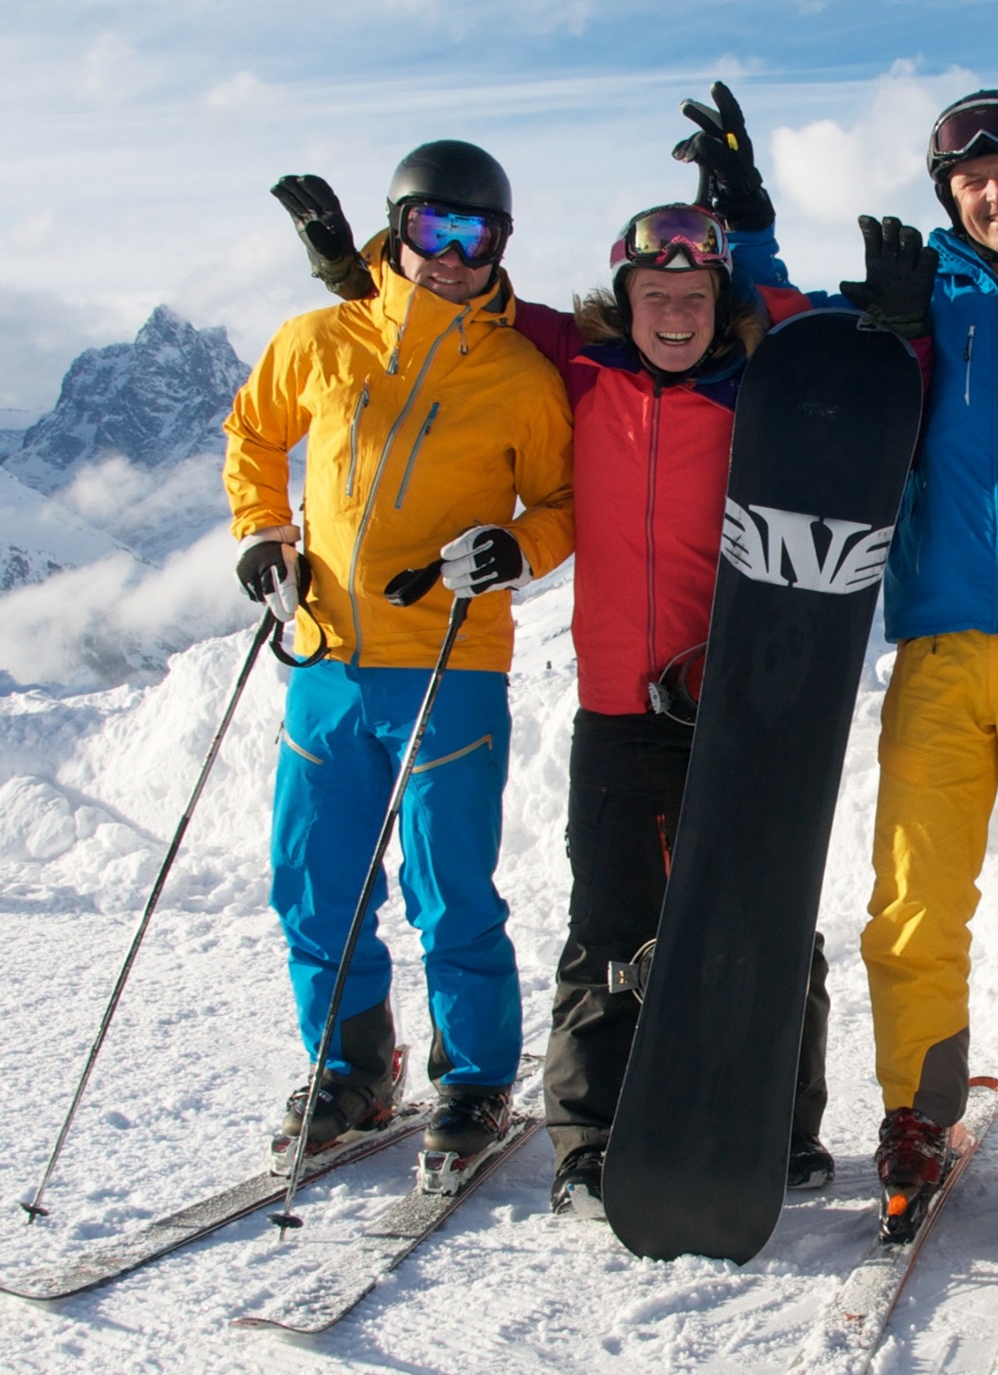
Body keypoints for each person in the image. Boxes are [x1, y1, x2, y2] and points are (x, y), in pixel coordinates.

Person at [271, 91, 940, 1218]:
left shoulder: (757, 378)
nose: (672, 313)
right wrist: (359, 273)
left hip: (735, 700)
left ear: (719, 302)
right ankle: (588, 1133)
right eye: (651, 294)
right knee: (609, 923)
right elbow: (453, 308)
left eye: (692, 295)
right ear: (617, 300)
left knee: (761, 910)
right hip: (613, 706)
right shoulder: (577, 368)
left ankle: (778, 1123)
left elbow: (858, 376)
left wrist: (883, 307)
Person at [726, 84, 998, 1235]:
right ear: (950, 196)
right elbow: (784, 335)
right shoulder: (921, 296)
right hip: (939, 647)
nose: (996, 198)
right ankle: (919, 1104)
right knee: (913, 897)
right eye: (972, 184)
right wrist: (750, 219)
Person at [228, 139, 575, 1176]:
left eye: (477, 233)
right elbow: (253, 431)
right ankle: (351, 1068)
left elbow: (562, 505)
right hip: (329, 659)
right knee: (315, 879)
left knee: (448, 884)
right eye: (434, 226)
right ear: (398, 226)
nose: (454, 252)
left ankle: (471, 1079)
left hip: (451, 664)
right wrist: (261, 533)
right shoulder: (321, 340)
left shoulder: (520, 374)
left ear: (501, 244)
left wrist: (517, 549)